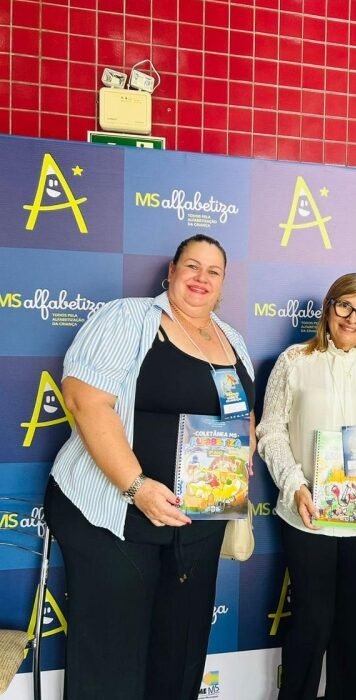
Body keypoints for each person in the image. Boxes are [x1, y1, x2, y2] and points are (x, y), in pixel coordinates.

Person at [44, 234, 255, 700]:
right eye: (192, 266)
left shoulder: (233, 339)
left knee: (179, 653)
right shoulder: (127, 318)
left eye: (213, 272)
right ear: (171, 273)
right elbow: (85, 401)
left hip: (197, 523)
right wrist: (136, 485)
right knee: (113, 658)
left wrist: (241, 460)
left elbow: (243, 416)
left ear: (223, 285)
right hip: (113, 515)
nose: (201, 278)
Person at [256, 272, 356, 700]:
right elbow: (271, 431)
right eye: (345, 305)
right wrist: (294, 485)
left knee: (355, 627)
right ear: (329, 307)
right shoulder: (294, 361)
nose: (352, 318)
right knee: (311, 623)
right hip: (308, 515)